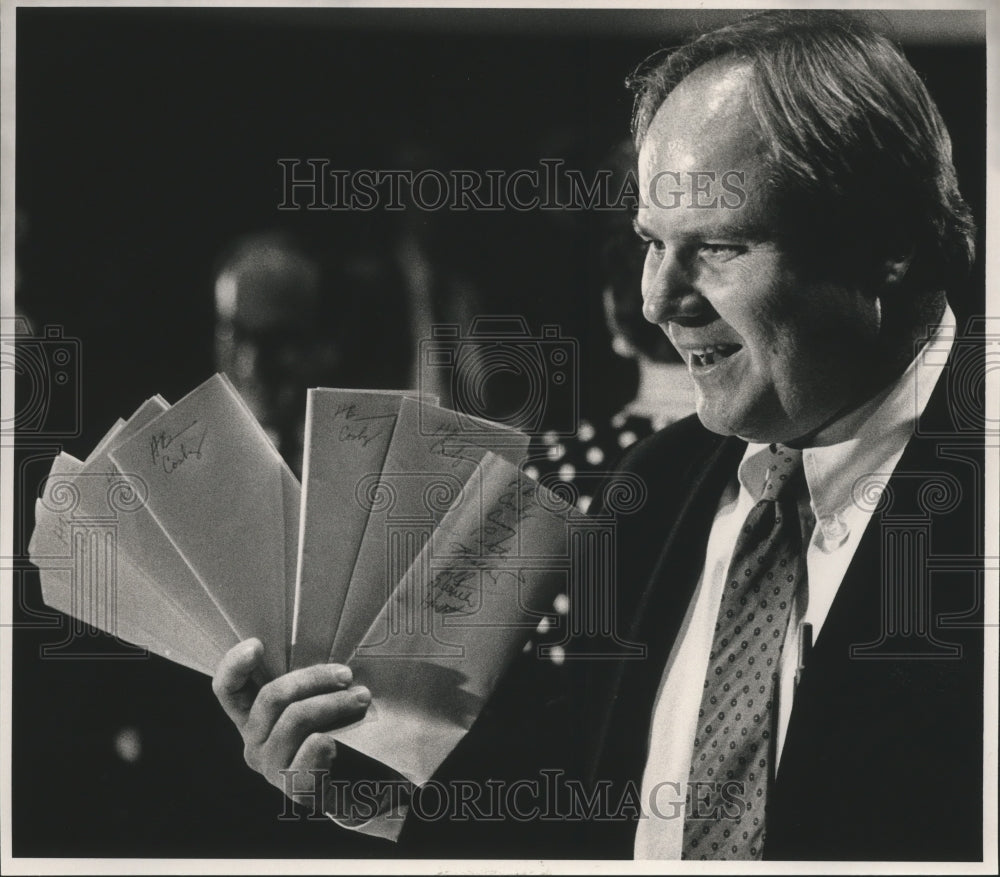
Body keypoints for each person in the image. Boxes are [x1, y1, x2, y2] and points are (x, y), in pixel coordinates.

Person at [211, 11, 984, 861]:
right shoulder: (650, 485)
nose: (658, 300)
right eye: (652, 244)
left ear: (889, 247)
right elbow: (575, 798)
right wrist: (359, 780)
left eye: (719, 248)